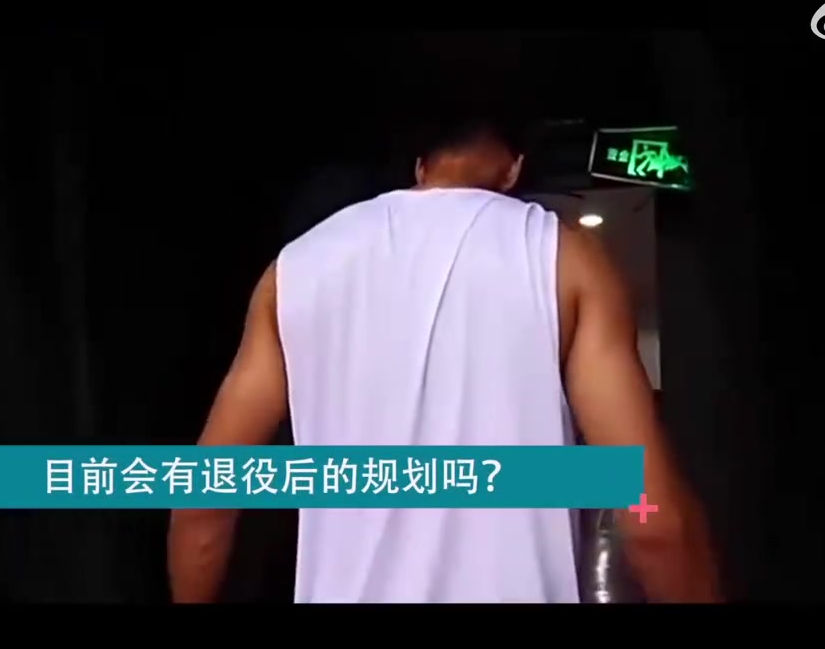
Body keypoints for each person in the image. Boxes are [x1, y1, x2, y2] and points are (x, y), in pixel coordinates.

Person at [167, 115, 722, 603]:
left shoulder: (296, 269)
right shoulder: (564, 259)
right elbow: (649, 517)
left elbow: (203, 502)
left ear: (420, 165)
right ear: (513, 168)